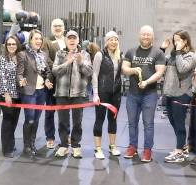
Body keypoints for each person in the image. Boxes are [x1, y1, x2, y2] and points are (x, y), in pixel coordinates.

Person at [122, 25, 166, 162]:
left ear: (152, 36)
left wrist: (146, 82)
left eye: (148, 34)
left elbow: (160, 72)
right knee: (132, 122)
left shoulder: (158, 53)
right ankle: (132, 147)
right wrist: (134, 70)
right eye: (143, 34)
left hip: (150, 94)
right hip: (133, 94)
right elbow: (124, 68)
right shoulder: (131, 51)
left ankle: (147, 150)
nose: (146, 37)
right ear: (139, 36)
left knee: (148, 123)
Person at [53, 30, 93, 158]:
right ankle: (64, 145)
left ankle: (76, 146)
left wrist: (80, 62)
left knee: (77, 122)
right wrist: (67, 62)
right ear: (66, 40)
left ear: (78, 40)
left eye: (74, 38)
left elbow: (89, 72)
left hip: (79, 94)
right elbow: (55, 71)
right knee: (62, 122)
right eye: (69, 38)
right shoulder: (60, 54)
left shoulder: (84, 54)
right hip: (62, 93)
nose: (71, 40)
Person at [17, 29, 53, 158]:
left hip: (41, 91)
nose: (38, 41)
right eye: (36, 38)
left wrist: (48, 80)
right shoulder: (23, 54)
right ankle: (26, 146)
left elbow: (48, 71)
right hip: (29, 91)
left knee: (36, 120)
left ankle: (32, 144)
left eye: (40, 39)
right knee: (30, 119)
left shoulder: (43, 54)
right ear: (30, 40)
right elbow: (19, 73)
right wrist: (20, 80)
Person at [162, 30, 195, 163]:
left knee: (179, 123)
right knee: (173, 121)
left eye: (179, 40)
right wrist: (162, 49)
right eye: (175, 40)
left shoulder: (190, 56)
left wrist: (180, 52)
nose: (176, 43)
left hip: (182, 94)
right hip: (170, 92)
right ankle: (181, 147)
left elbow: (182, 69)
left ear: (185, 41)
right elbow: (161, 65)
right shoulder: (173, 55)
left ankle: (179, 151)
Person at [92, 31, 122, 159]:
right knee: (100, 119)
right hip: (102, 92)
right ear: (106, 41)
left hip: (116, 93)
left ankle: (112, 146)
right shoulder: (100, 55)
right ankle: (98, 148)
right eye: (111, 39)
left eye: (116, 39)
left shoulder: (120, 55)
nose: (114, 42)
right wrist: (95, 94)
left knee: (113, 119)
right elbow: (94, 74)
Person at [42, 18, 66, 149]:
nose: (57, 28)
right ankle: (50, 137)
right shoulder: (46, 41)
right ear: (51, 28)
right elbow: (47, 60)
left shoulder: (69, 39)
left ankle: (64, 135)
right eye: (55, 26)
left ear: (64, 27)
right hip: (52, 80)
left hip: (66, 83)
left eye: (60, 26)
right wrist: (59, 68)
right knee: (50, 111)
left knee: (64, 112)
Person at [0, 36, 22, 158]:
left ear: (17, 45)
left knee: (14, 121)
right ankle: (6, 149)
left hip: (18, 94)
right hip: (6, 94)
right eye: (9, 44)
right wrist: (6, 95)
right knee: (7, 120)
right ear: (6, 46)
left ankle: (10, 143)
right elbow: (1, 77)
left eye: (14, 44)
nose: (11, 46)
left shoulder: (20, 58)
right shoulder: (2, 59)